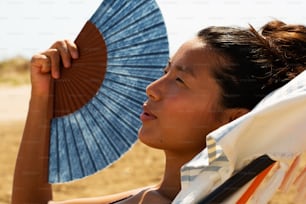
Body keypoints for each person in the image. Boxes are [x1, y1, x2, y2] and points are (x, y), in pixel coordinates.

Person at [12, 20, 306, 203]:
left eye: (180, 80)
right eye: (165, 71)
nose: (152, 88)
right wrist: (43, 94)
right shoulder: (150, 195)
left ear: (234, 119)